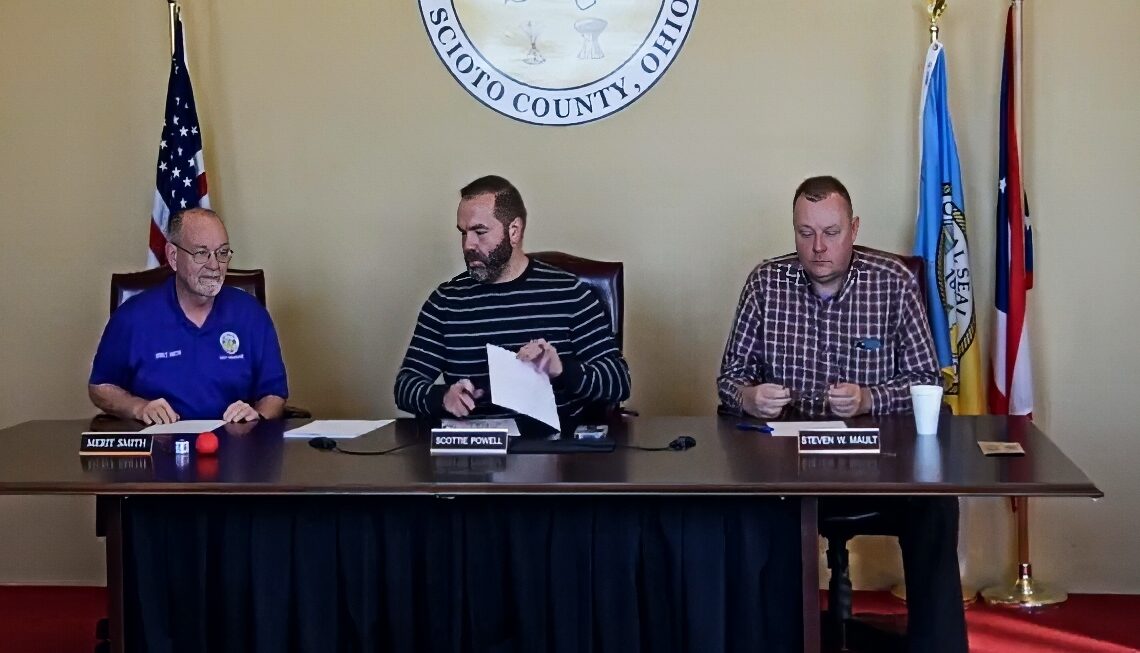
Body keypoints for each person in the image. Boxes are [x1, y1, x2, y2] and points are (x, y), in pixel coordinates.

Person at [717, 175, 968, 653]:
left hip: (879, 466)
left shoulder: (892, 281)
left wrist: (870, 399)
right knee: (744, 510)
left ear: (853, 229)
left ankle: (936, 646)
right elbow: (729, 379)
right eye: (805, 232)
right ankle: (780, 639)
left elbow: (928, 383)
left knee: (935, 506)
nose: (818, 248)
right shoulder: (765, 283)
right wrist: (749, 397)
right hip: (788, 468)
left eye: (831, 233)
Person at [394, 175, 630, 424]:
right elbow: (406, 385)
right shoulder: (445, 301)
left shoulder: (569, 293)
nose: (468, 245)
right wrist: (441, 398)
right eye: (463, 233)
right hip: (476, 442)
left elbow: (619, 381)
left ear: (514, 231)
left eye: (480, 232)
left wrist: (561, 370)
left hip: (553, 443)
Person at [89, 208, 288, 424]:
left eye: (222, 253)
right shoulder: (132, 317)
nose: (214, 266)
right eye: (201, 253)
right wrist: (138, 407)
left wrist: (257, 416)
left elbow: (274, 394)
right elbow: (101, 387)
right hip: (159, 441)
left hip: (236, 441)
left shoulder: (251, 314)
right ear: (173, 257)